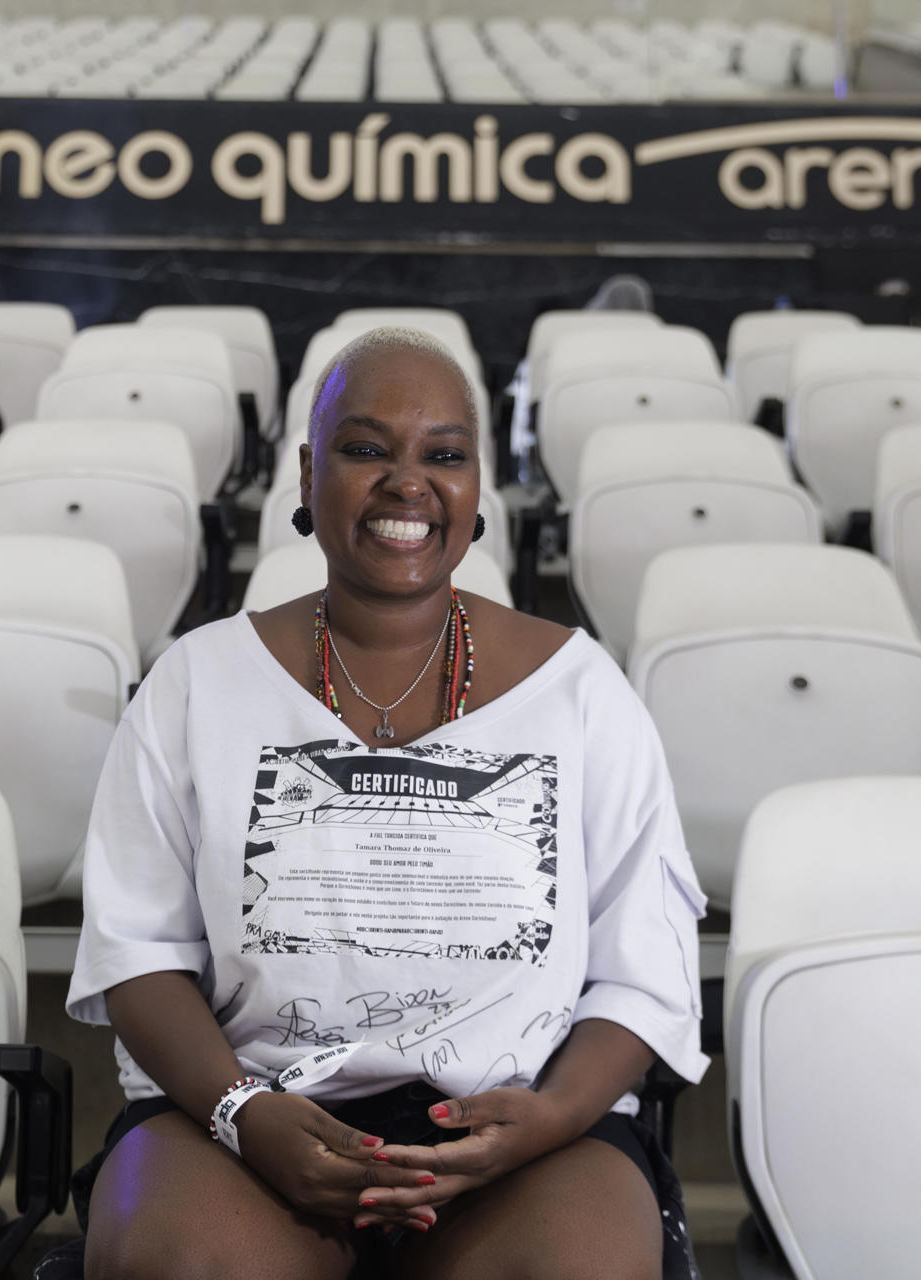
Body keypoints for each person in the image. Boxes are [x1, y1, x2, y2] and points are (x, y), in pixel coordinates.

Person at [66, 326, 710, 1280]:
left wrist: (549, 1119)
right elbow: (138, 953)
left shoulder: (582, 691)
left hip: (523, 1128)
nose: (408, 484)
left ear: (478, 487)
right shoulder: (197, 681)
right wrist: (243, 1112)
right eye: (366, 449)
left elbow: (644, 966)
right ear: (305, 472)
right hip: (246, 1113)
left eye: (442, 456)